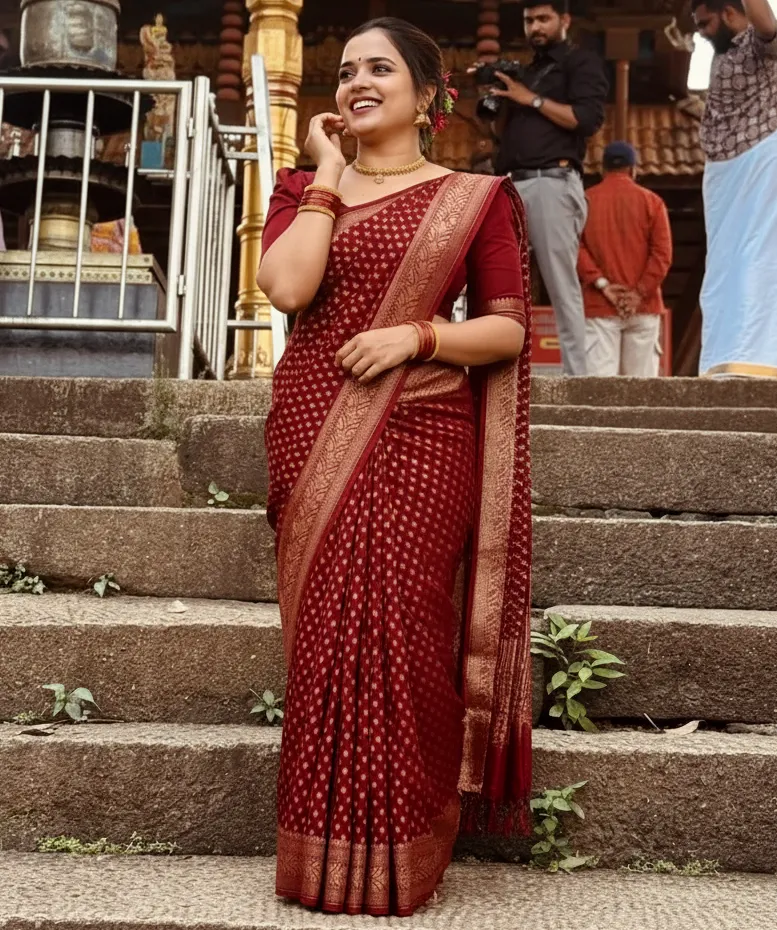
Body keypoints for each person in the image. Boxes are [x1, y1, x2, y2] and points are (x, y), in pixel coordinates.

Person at [257, 17, 533, 918]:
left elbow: (506, 328)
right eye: (344, 73)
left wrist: (419, 335)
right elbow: (290, 289)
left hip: (423, 429)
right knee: (328, 640)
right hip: (311, 426)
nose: (356, 83)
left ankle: (401, 852)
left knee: (406, 632)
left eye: (379, 69)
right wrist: (326, 179)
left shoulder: (475, 196)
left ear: (427, 92)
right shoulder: (301, 187)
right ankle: (320, 855)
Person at [478, 0, 608, 375]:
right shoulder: (526, 72)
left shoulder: (581, 64)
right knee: (499, 280)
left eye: (543, 19)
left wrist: (529, 98)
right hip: (510, 183)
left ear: (564, 20)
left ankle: (576, 377)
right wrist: (501, 97)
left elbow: (586, 119)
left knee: (560, 282)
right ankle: (498, 374)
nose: (535, 26)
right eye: (528, 20)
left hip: (552, 181)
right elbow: (501, 134)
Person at [692, 0, 777, 377]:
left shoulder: (757, 45)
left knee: (757, 256)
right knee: (722, 269)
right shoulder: (721, 55)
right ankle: (722, 357)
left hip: (760, 157)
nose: (700, 31)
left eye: (705, 22)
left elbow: (766, 21)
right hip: (722, 168)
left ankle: (757, 356)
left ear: (729, 13)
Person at [577, 141, 673, 377]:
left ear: (603, 169)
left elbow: (573, 248)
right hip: (645, 306)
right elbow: (662, 254)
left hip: (600, 305)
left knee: (599, 392)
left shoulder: (585, 201)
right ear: (633, 169)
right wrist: (638, 293)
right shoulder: (652, 202)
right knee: (641, 392)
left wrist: (603, 284)